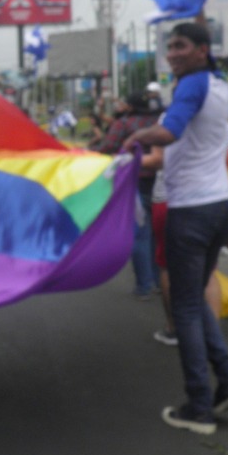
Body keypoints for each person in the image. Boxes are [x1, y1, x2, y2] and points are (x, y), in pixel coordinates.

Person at [124, 22, 228, 437]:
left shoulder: (193, 84)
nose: (173, 54)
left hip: (190, 210)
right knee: (194, 297)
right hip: (218, 207)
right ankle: (227, 383)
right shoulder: (220, 84)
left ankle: (198, 407)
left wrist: (135, 136)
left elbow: (169, 132)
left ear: (202, 49)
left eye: (181, 46)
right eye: (170, 47)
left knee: (185, 309)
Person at [93, 90, 159, 300]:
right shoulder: (160, 121)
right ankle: (159, 282)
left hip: (134, 182)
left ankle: (144, 286)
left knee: (140, 234)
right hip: (163, 184)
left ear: (129, 107)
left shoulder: (123, 124)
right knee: (157, 235)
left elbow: (107, 146)